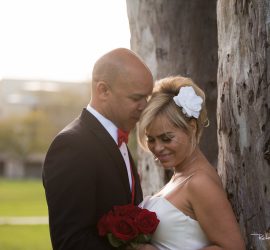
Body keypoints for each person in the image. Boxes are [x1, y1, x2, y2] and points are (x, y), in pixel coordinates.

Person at [42, 48, 154, 250]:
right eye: (136, 98)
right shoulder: (72, 146)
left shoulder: (117, 140)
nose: (144, 106)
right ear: (103, 90)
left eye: (147, 97)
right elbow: (70, 242)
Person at [137, 76, 245, 250]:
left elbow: (233, 248)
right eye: (151, 139)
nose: (157, 148)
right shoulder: (180, 176)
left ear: (192, 128)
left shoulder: (199, 183)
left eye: (166, 138)